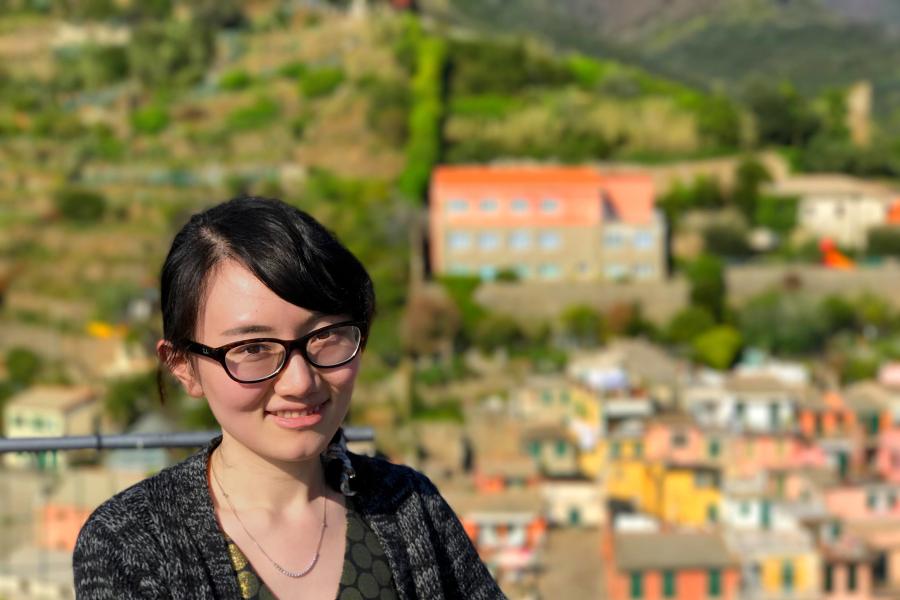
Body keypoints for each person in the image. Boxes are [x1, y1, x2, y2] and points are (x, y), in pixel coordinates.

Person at [73, 196, 505, 600]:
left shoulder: (409, 505)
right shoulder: (130, 541)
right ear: (183, 365)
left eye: (326, 335)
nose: (299, 382)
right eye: (253, 349)